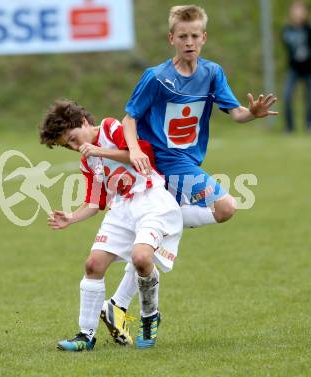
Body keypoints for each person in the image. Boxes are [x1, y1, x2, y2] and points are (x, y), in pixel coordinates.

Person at [100, 4, 279, 344]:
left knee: (149, 244)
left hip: (187, 164)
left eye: (195, 36)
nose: (189, 42)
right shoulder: (156, 77)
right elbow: (130, 117)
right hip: (164, 165)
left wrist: (251, 114)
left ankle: (117, 305)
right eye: (182, 36)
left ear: (204, 38)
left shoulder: (212, 74)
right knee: (226, 207)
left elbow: (235, 112)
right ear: (171, 39)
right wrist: (135, 149)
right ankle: (122, 304)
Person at [39, 99, 183, 351]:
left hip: (151, 201)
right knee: (93, 265)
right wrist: (71, 217)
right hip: (122, 210)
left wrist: (100, 151)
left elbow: (140, 156)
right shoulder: (88, 161)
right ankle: (85, 336)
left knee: (141, 258)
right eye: (67, 145)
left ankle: (150, 316)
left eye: (73, 138)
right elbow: (95, 203)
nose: (74, 147)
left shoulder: (109, 128)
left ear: (84, 122)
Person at [282, 0, 311, 133]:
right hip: (293, 68)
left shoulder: (308, 29)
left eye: (301, 10)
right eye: (296, 11)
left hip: (308, 68)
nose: (298, 13)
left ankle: (308, 125)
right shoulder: (287, 30)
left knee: (309, 97)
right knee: (287, 96)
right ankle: (289, 127)